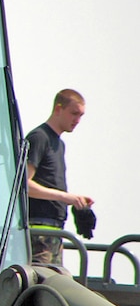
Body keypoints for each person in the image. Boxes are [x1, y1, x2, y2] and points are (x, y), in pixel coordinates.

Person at [26, 88, 94, 265]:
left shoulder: (59, 144)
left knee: (55, 286)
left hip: (55, 233)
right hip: (39, 233)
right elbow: (24, 185)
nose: (77, 120)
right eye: (73, 113)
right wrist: (66, 198)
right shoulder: (39, 138)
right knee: (43, 286)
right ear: (58, 109)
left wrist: (76, 202)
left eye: (81, 116)